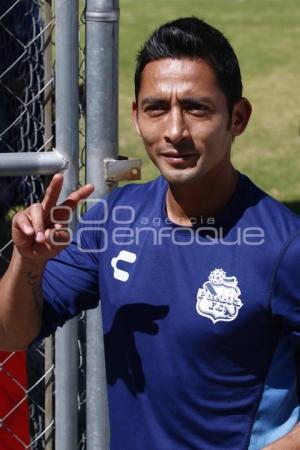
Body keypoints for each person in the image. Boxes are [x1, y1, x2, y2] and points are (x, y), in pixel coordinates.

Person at [1, 16, 300, 450]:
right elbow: (12, 334)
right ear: (137, 117)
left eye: (196, 108)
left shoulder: (283, 247)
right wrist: (26, 262)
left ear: (238, 117)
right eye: (157, 108)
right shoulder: (114, 219)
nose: (175, 131)